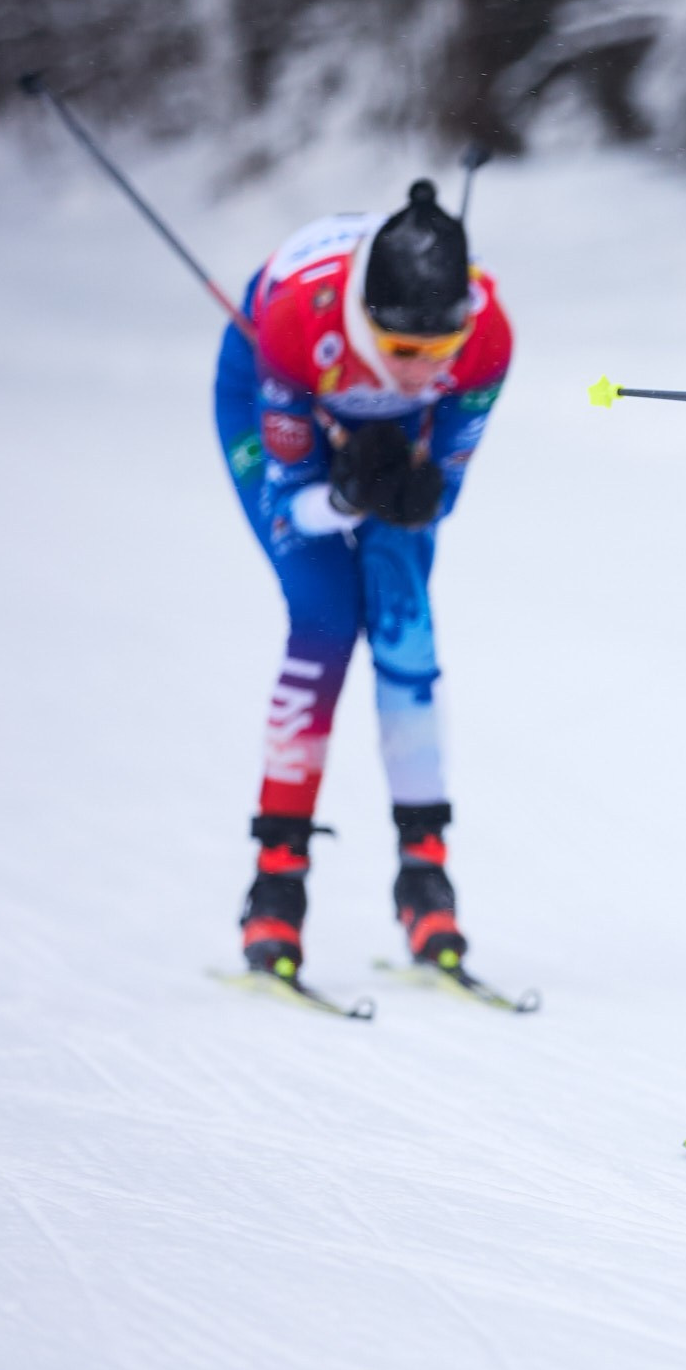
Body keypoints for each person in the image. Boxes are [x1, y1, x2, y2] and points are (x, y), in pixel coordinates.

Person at [212, 180, 511, 987]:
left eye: (439, 352)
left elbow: (440, 488)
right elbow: (292, 504)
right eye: (403, 350)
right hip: (279, 392)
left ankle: (425, 876)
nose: (422, 370)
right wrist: (343, 495)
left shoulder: (485, 338)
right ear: (365, 319)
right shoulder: (295, 320)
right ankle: (276, 882)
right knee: (324, 617)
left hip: (388, 433)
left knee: (404, 620)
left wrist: (412, 490)